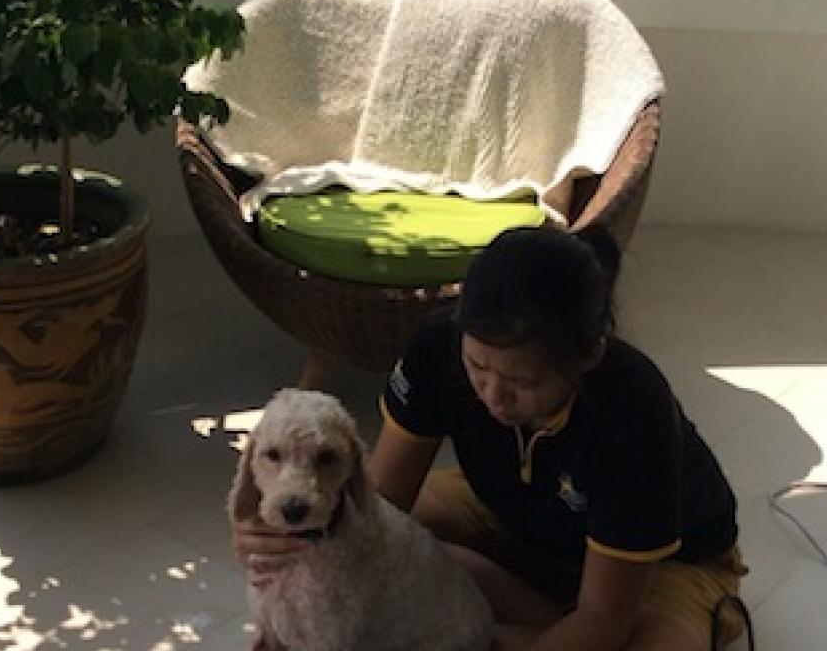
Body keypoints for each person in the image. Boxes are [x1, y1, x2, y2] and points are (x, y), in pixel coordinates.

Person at [235, 224, 747, 651]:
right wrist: (273, 537)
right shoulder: (438, 347)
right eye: (477, 367)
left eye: (522, 381)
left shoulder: (631, 413)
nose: (494, 396)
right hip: (513, 509)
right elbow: (381, 506)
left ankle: (527, 617)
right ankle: (537, 613)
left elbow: (604, 619)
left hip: (665, 563)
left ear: (589, 355)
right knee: (371, 532)